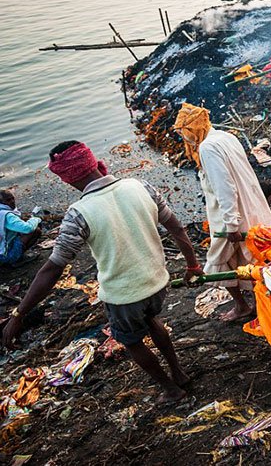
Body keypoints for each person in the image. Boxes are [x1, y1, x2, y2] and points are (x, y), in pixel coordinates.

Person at [2, 141, 200, 404]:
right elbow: (177, 229)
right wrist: (192, 265)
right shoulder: (140, 186)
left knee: (131, 341)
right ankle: (179, 373)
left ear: (68, 177)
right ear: (92, 162)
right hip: (157, 281)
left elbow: (52, 268)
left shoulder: (79, 213)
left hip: (124, 295)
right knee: (152, 320)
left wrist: (19, 314)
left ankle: (172, 389)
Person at [173, 104, 271, 322]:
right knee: (249, 260)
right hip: (251, 207)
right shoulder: (225, 136)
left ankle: (245, 306)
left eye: (185, 132)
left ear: (193, 128)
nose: (186, 138)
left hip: (231, 217)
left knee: (218, 262)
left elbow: (224, 187)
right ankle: (259, 306)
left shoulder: (207, 148)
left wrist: (231, 225)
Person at [0, 189, 42, 266]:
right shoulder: (6, 215)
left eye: (13, 198)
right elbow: (27, 228)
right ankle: (16, 260)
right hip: (5, 256)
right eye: (8, 200)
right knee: (36, 230)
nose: (12, 201)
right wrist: (36, 219)